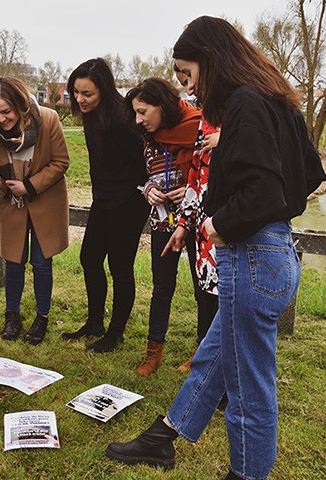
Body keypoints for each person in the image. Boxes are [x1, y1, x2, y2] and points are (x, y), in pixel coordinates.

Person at [105, 16, 326, 479]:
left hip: (250, 256)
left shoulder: (244, 103)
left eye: (186, 75)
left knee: (249, 391)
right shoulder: (275, 98)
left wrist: (215, 224)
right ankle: (164, 436)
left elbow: (261, 193)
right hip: (275, 253)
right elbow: (307, 175)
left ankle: (246, 474)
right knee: (215, 354)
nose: (187, 89)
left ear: (211, 60)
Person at [122, 77, 219, 376]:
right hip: (163, 219)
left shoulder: (200, 127)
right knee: (161, 287)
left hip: (198, 221)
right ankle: (153, 353)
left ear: (161, 105)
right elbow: (147, 171)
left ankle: (201, 352)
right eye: (135, 113)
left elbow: (212, 172)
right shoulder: (149, 136)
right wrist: (149, 190)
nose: (138, 120)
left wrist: (188, 190)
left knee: (203, 290)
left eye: (143, 112)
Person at [62, 58, 150, 353]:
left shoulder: (122, 118)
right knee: (89, 258)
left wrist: (131, 195)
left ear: (104, 89)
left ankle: (115, 334)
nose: (80, 99)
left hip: (128, 201)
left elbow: (142, 164)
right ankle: (95, 322)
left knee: (120, 267)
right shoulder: (91, 114)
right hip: (103, 198)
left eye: (87, 94)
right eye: (76, 92)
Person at [0, 77, 70, 345]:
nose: (2, 119)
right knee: (14, 261)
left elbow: (61, 161)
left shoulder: (48, 119)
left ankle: (42, 317)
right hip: (12, 206)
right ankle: (12, 316)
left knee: (41, 262)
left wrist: (29, 186)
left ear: (20, 105)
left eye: (7, 111)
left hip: (44, 203)